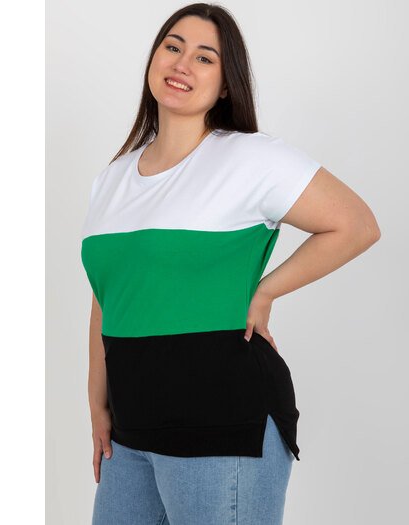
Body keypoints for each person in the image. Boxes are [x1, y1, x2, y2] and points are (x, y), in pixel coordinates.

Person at [80, 3, 381, 524]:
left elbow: (356, 224)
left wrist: (266, 290)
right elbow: (108, 295)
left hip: (222, 424)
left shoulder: (251, 158)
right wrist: (97, 405)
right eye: (173, 47)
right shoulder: (112, 178)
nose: (182, 64)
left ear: (225, 85)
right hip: (129, 432)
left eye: (205, 57)